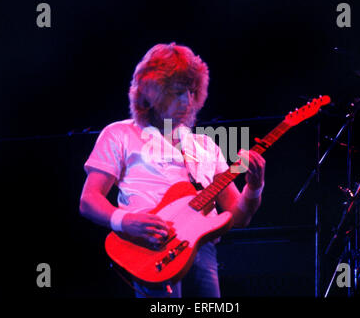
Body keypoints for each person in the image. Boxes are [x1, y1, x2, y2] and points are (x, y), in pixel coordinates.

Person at [79, 43, 266, 298]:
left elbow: (238, 216)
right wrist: (126, 221)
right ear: (153, 93)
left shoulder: (205, 145)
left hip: (203, 251)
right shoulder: (119, 134)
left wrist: (254, 188)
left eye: (191, 91)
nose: (187, 101)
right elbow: (89, 200)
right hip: (148, 249)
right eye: (178, 92)